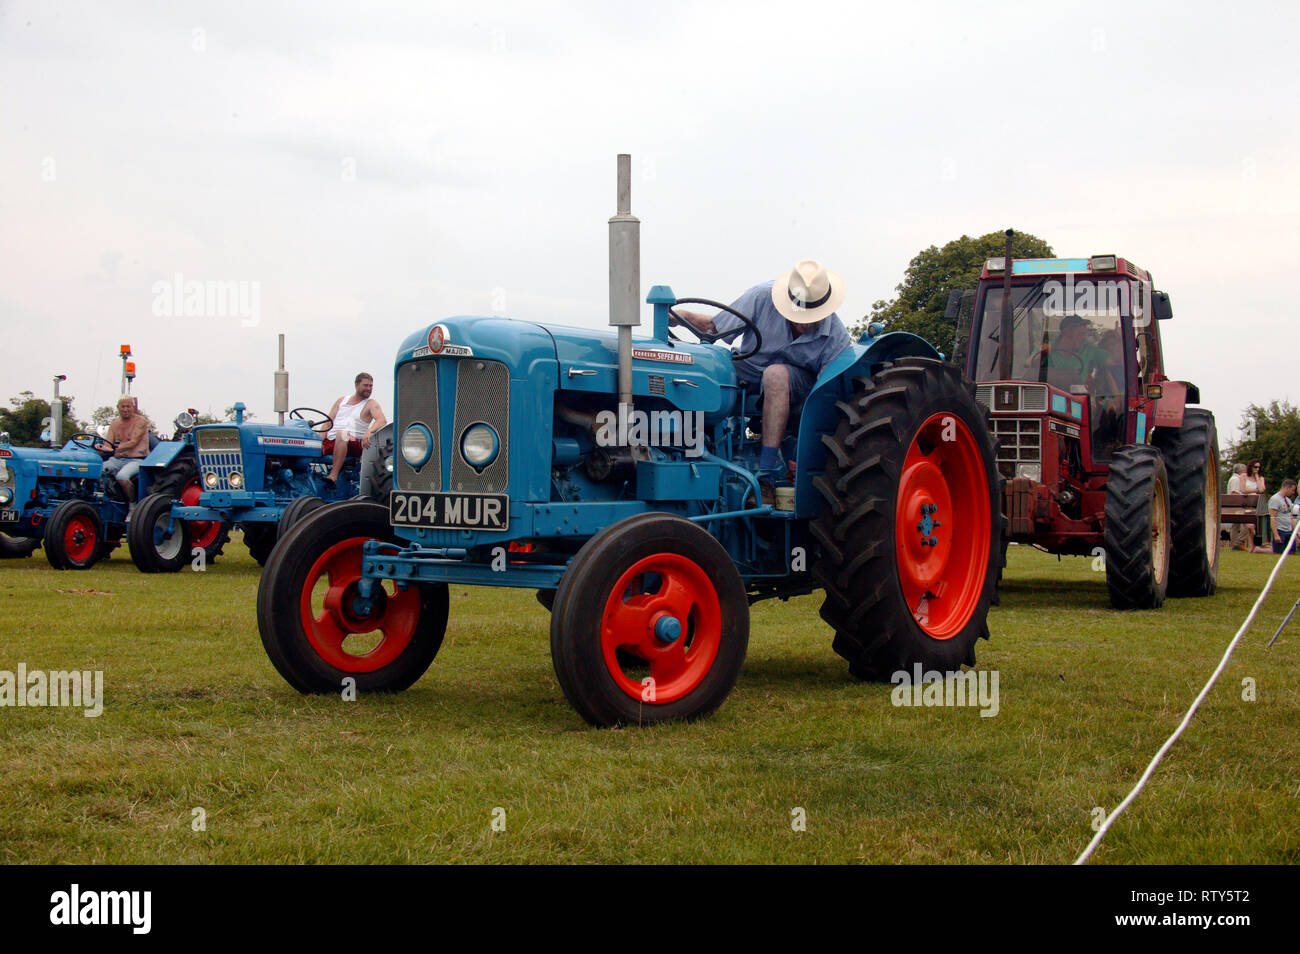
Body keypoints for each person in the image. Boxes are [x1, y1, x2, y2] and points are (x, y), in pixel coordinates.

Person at [671, 260, 851, 501]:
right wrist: (681, 315)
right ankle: (685, 449)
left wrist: (803, 454)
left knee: (775, 374)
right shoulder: (761, 297)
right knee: (703, 371)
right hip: (749, 367)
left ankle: (765, 475)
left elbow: (825, 397)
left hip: (798, 384)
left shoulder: (836, 338)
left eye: (812, 316)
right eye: (799, 314)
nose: (805, 323)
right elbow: (715, 328)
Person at [320, 373, 387, 486]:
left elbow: (382, 420)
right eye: (366, 385)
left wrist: (369, 431)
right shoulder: (341, 401)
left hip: (353, 442)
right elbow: (327, 424)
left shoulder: (371, 404)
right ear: (356, 385)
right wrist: (319, 442)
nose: (369, 389)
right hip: (332, 441)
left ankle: (333, 476)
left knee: (342, 434)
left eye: (371, 386)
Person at [101, 395, 151, 510]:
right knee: (97, 471)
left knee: (122, 476)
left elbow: (133, 442)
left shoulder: (141, 421)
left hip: (137, 459)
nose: (125, 409)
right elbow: (108, 443)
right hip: (117, 460)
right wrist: (101, 448)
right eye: (123, 407)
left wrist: (113, 449)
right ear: (118, 407)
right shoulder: (115, 424)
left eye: (128, 406)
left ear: (133, 407)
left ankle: (132, 506)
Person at [1268, 479, 1298, 554]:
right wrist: (1276, 534)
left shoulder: (1288, 500)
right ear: (1287, 487)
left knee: (1291, 554)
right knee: (1279, 554)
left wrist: (1296, 532)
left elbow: (1291, 517)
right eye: (1292, 490)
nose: (1293, 493)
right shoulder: (1275, 499)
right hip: (1280, 531)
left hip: (1289, 531)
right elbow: (1272, 518)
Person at [1227, 463, 1252, 551]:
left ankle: (1235, 544)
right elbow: (1234, 493)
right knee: (1246, 525)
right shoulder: (1236, 480)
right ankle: (1237, 543)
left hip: (1235, 506)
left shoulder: (1235, 479)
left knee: (1236, 526)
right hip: (1237, 506)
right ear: (1241, 471)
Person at [1245, 459, 1267, 548]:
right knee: (1249, 526)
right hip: (1245, 503)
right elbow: (1243, 490)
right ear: (1251, 467)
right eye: (1255, 467)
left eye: (1259, 467)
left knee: (1254, 526)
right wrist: (1256, 490)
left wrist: (1257, 477)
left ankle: (1253, 546)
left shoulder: (1261, 478)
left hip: (1256, 504)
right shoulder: (1244, 476)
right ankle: (1253, 545)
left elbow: (1262, 489)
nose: (1257, 469)